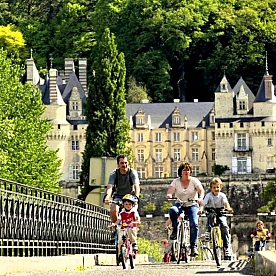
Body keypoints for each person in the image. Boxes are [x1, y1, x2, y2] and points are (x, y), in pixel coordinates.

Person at [166, 162, 204, 257]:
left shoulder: (194, 181)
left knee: (194, 224)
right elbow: (170, 190)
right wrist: (169, 195)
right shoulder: (176, 181)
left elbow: (201, 190)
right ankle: (175, 229)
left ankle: (193, 246)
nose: (187, 171)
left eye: (188, 170)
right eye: (184, 170)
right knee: (173, 210)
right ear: (180, 172)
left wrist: (200, 197)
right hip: (180, 204)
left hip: (192, 205)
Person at [197, 177, 233, 257]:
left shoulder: (222, 195)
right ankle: (208, 232)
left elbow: (226, 203)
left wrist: (228, 208)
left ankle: (226, 247)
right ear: (211, 188)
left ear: (221, 187)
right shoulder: (208, 195)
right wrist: (200, 210)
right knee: (210, 218)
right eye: (214, 187)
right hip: (211, 210)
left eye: (218, 187)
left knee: (224, 225)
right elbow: (203, 203)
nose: (216, 189)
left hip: (221, 211)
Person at [104, 154, 140, 223]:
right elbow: (110, 187)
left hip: (130, 197)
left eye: (126, 163)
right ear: (118, 164)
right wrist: (107, 197)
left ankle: (133, 230)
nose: (124, 165)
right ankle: (116, 228)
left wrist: (136, 198)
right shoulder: (114, 174)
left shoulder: (132, 172)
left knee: (133, 213)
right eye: (122, 163)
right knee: (113, 209)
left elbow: (136, 186)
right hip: (118, 196)